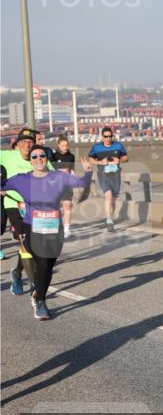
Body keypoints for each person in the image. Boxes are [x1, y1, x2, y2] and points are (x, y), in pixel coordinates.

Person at [3, 144, 92, 319]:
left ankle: (38, 292)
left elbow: (81, 182)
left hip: (54, 228)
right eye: (34, 156)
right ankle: (41, 301)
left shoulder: (58, 177)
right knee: (43, 263)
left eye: (41, 156)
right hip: (32, 227)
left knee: (48, 266)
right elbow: (2, 183)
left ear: (46, 158)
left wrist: (88, 172)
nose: (38, 159)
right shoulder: (22, 179)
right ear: (30, 161)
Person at [1, 129, 51, 295]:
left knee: (32, 245)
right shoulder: (7, 156)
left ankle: (16, 272)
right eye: (24, 142)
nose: (27, 145)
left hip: (33, 206)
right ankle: (34, 286)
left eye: (30, 142)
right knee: (24, 239)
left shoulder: (38, 157)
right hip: (13, 203)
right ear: (18, 144)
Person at [87, 126, 128, 232]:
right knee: (108, 195)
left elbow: (126, 158)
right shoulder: (97, 147)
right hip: (103, 175)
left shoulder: (118, 146)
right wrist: (101, 162)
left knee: (113, 201)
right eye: (106, 137)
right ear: (102, 137)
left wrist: (118, 159)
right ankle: (109, 220)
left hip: (115, 175)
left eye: (110, 136)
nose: (108, 139)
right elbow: (90, 160)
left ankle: (110, 218)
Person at [51, 136, 76, 236]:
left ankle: (66, 230)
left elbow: (72, 169)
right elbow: (50, 170)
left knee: (67, 205)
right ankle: (56, 226)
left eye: (67, 145)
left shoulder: (71, 156)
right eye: (63, 145)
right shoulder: (53, 156)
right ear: (58, 146)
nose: (65, 147)